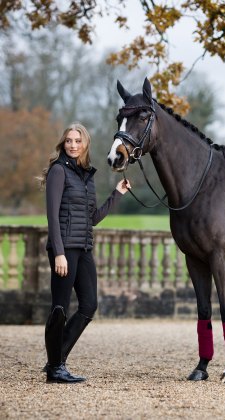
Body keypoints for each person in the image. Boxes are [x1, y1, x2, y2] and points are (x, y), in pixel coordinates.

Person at [39, 122, 131, 383]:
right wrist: (58, 252)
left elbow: (93, 218)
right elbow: (52, 217)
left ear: (85, 144)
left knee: (89, 305)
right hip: (65, 248)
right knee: (59, 308)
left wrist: (117, 194)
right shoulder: (59, 171)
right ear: (63, 143)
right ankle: (56, 368)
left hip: (84, 247)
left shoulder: (86, 175)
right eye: (68, 140)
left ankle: (55, 361)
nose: (73, 145)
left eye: (78, 141)